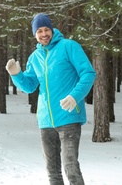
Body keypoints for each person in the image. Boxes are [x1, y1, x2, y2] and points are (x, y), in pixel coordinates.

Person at [5, 13, 96, 185]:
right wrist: (16, 75)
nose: (44, 34)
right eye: (39, 31)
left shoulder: (69, 46)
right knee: (53, 172)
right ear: (35, 34)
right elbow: (30, 86)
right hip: (46, 120)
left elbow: (88, 73)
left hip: (68, 116)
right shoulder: (34, 57)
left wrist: (74, 96)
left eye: (46, 29)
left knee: (71, 168)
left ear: (52, 30)